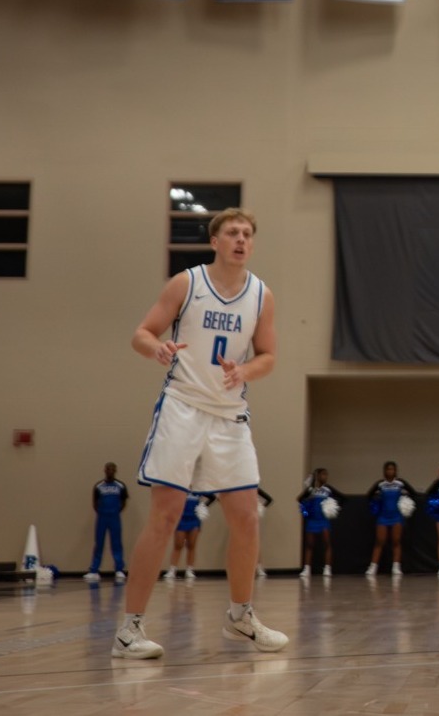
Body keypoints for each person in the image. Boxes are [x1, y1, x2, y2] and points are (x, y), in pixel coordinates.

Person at [115, 207, 286, 660]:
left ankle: (240, 616)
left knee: (248, 518)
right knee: (165, 517)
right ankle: (129, 629)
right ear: (215, 241)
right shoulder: (186, 283)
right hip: (183, 407)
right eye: (232, 232)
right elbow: (142, 333)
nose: (241, 239)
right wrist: (158, 347)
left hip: (230, 415)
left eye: (248, 233)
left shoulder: (261, 295)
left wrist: (245, 369)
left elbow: (268, 355)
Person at [366, 462, 419, 576]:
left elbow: (413, 493)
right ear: (384, 471)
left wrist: (405, 500)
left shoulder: (400, 483)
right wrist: (377, 498)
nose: (390, 471)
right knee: (380, 541)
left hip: (396, 516)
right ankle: (373, 567)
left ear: (395, 471)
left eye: (392, 469)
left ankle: (396, 567)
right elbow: (369, 495)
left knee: (396, 541)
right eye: (388, 469)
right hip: (383, 516)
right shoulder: (380, 484)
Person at [84, 463, 130, 581]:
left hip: (114, 517)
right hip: (102, 518)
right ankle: (94, 570)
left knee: (116, 543)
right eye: (108, 469)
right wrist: (101, 512)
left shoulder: (120, 486)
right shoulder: (99, 486)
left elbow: (124, 502)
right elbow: (95, 502)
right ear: (104, 470)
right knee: (99, 543)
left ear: (115, 470)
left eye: (112, 469)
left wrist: (116, 511)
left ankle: (119, 570)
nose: (110, 471)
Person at [297, 468, 341, 579]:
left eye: (326, 474)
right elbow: (299, 499)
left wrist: (333, 507)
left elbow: (342, 498)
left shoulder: (328, 489)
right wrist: (308, 497)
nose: (325, 477)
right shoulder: (311, 490)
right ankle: (307, 569)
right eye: (323, 474)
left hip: (323, 521)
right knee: (309, 545)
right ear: (317, 476)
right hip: (312, 520)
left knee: (327, 543)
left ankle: (327, 568)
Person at [162, 490, 210, 580]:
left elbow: (212, 497)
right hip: (181, 518)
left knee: (191, 545)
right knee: (178, 545)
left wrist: (203, 506)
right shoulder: (181, 487)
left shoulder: (198, 488)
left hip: (194, 519)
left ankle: (190, 570)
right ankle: (172, 570)